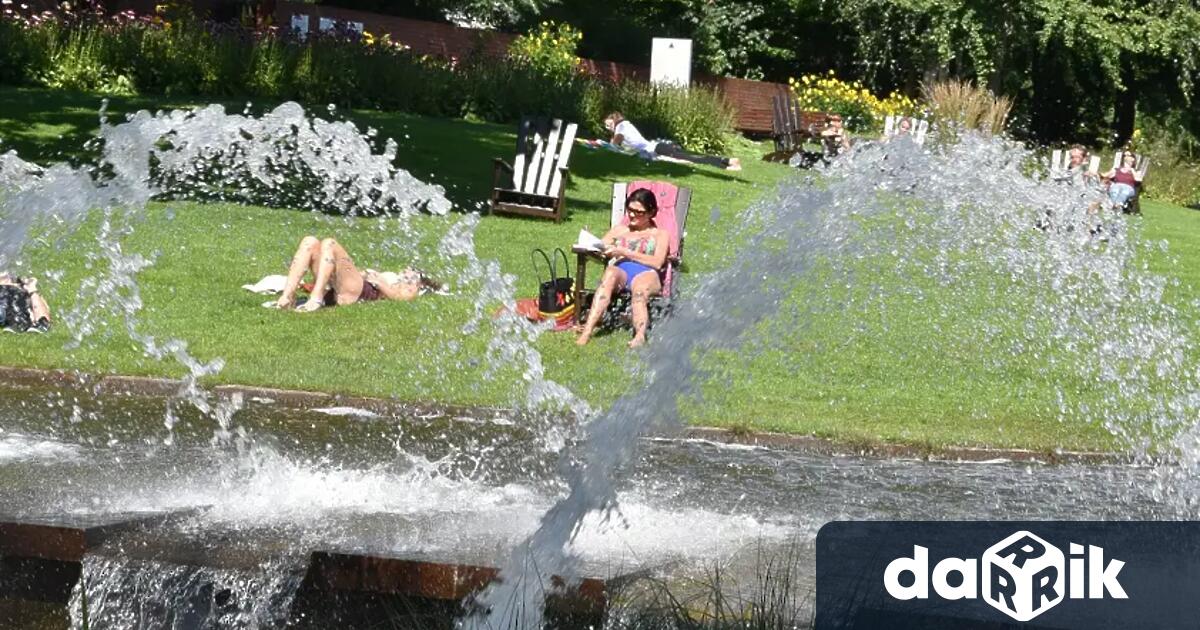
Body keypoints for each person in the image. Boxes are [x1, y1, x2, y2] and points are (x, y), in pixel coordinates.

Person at [575, 188, 670, 349]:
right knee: (610, 273)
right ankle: (587, 330)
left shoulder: (660, 234)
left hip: (646, 273)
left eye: (638, 212)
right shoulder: (620, 230)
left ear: (650, 212)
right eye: (630, 210)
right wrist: (595, 245)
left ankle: (639, 336)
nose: (632, 215)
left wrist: (624, 252)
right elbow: (599, 248)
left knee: (639, 290)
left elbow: (657, 262)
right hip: (621, 272)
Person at [274, 236, 439, 311]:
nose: (405, 270)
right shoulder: (398, 278)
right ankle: (287, 296)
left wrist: (380, 283)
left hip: (359, 292)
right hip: (346, 287)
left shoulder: (412, 285)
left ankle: (316, 298)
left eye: (409, 270)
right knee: (310, 241)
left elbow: (401, 297)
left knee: (330, 243)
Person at [603, 112, 741, 171]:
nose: (608, 127)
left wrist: (609, 142)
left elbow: (614, 145)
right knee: (688, 158)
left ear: (614, 119)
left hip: (656, 149)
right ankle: (726, 162)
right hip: (657, 148)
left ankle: (728, 164)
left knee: (690, 159)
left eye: (608, 124)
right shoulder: (626, 124)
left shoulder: (621, 126)